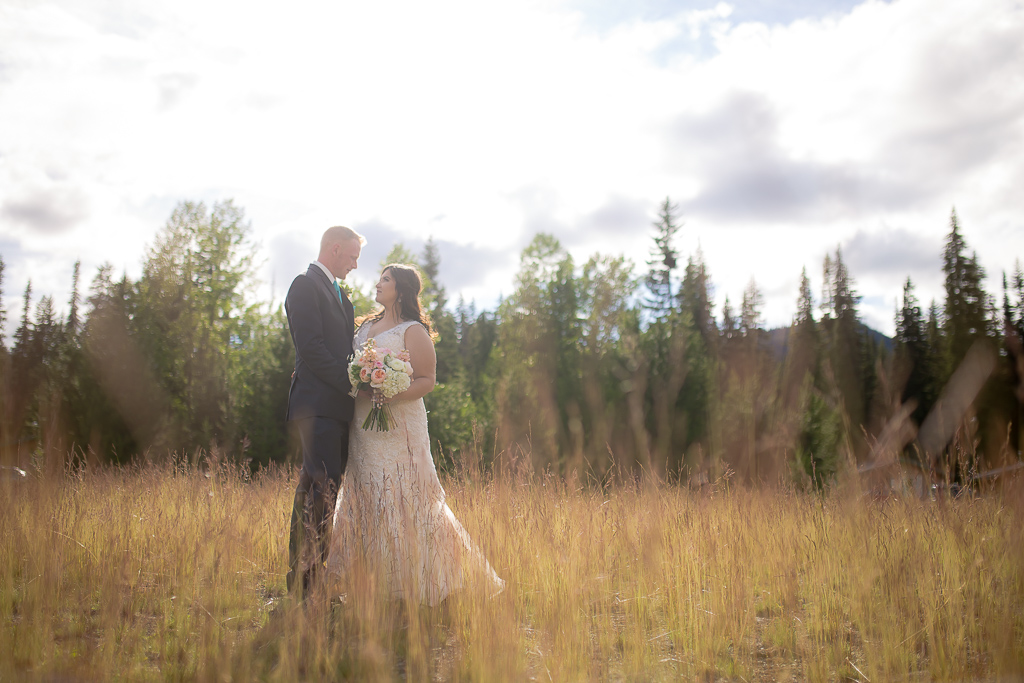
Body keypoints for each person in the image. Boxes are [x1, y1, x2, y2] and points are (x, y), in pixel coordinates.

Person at [327, 263, 504, 605]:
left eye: (386, 280)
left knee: (405, 495)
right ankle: (369, 584)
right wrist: (362, 384)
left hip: (400, 426)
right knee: (366, 493)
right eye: (380, 278)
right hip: (364, 425)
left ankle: (417, 583)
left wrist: (391, 391)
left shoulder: (413, 330)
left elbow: (426, 380)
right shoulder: (365, 326)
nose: (378, 284)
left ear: (403, 290)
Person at [284, 225, 364, 597]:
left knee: (328, 492)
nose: (354, 265)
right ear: (334, 249)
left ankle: (316, 580)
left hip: (338, 409)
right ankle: (303, 586)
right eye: (351, 257)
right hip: (316, 406)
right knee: (316, 490)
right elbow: (312, 349)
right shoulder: (304, 286)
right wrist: (352, 381)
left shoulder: (343, 299)